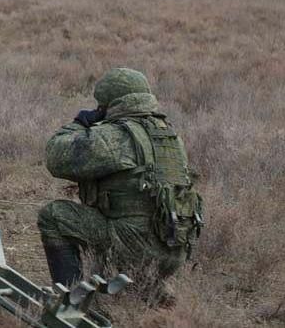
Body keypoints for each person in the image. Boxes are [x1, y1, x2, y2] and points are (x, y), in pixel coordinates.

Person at [38, 68, 203, 302]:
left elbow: (56, 158)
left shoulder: (117, 136)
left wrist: (79, 124)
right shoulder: (170, 136)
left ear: (109, 103)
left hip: (136, 246)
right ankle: (150, 290)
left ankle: (71, 301)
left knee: (54, 216)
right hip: (174, 249)